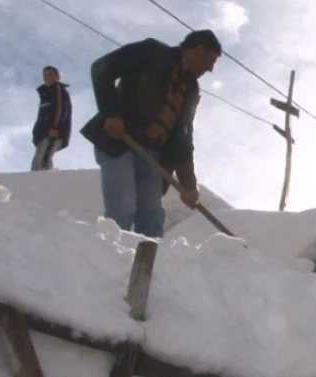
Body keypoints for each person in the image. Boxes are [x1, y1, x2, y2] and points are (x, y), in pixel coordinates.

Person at [80, 30, 221, 238]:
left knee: (152, 216)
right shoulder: (152, 52)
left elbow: (183, 138)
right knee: (123, 207)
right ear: (199, 49)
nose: (210, 69)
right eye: (210, 61)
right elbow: (102, 69)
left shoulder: (191, 88)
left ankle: (148, 267)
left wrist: (188, 186)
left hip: (152, 155)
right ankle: (110, 261)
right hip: (121, 141)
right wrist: (111, 114)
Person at [30, 66, 72, 171]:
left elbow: (61, 108)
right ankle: (35, 184)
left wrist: (55, 127)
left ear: (57, 77)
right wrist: (37, 133)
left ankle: (45, 183)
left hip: (53, 131)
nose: (47, 77)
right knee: (36, 162)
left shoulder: (57, 89)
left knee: (43, 160)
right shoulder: (46, 94)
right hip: (43, 133)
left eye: (50, 75)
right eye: (45, 75)